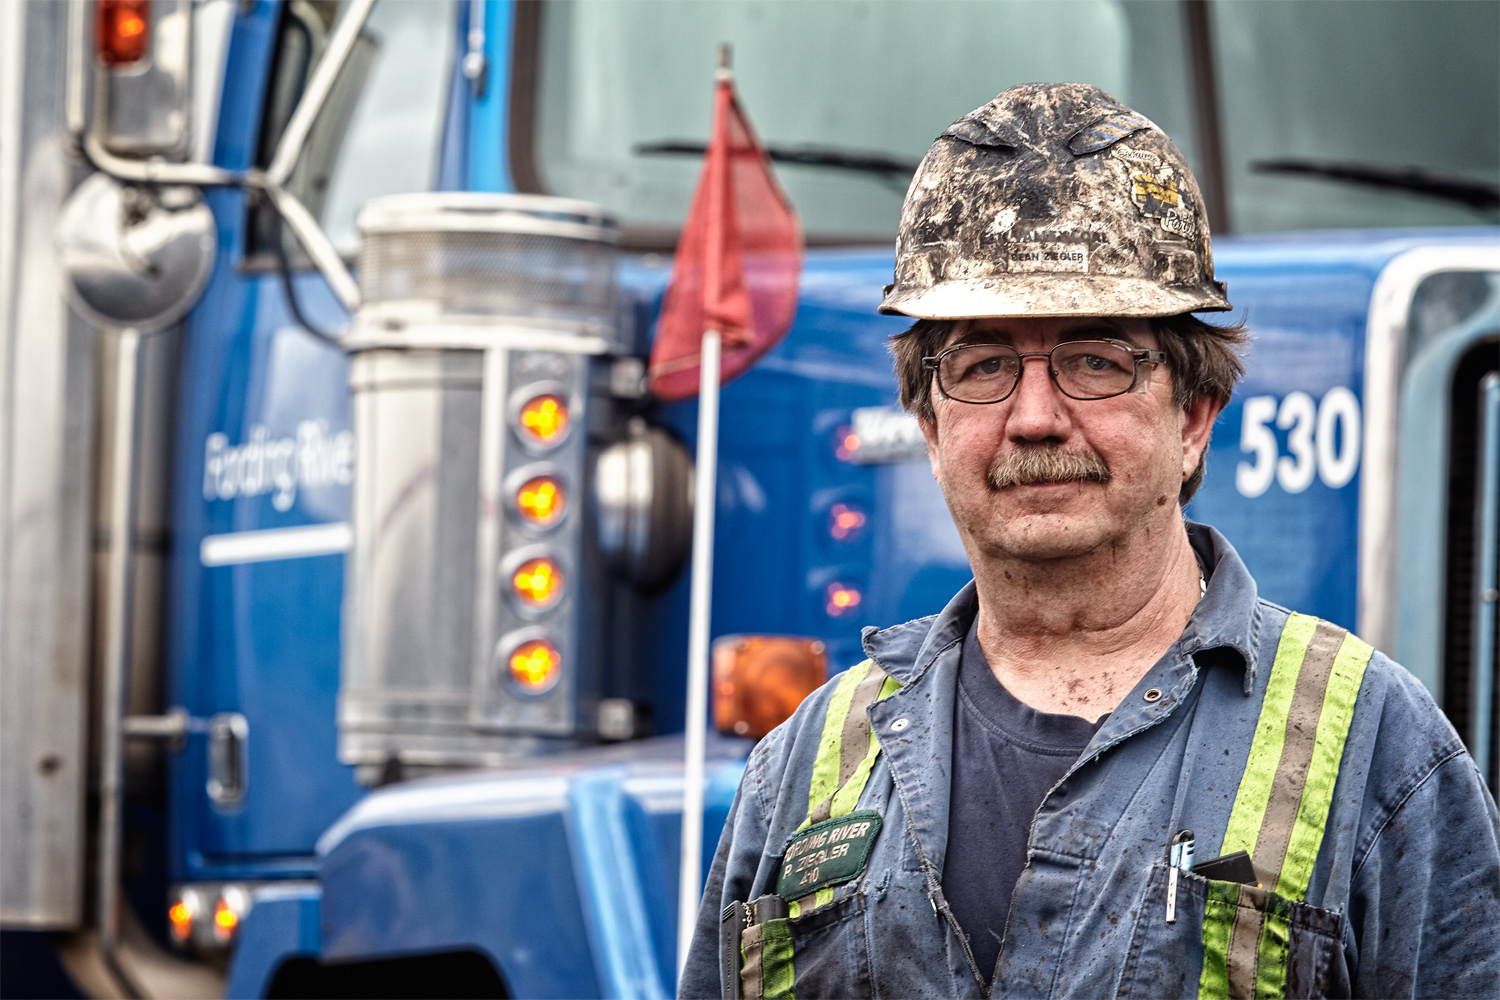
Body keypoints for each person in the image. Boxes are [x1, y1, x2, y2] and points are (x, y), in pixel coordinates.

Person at [679, 82, 1500, 1000]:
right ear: (930, 424)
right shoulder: (801, 767)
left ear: (1193, 417)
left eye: (1095, 362)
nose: (1034, 418)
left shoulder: (1376, 747)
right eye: (984, 364)